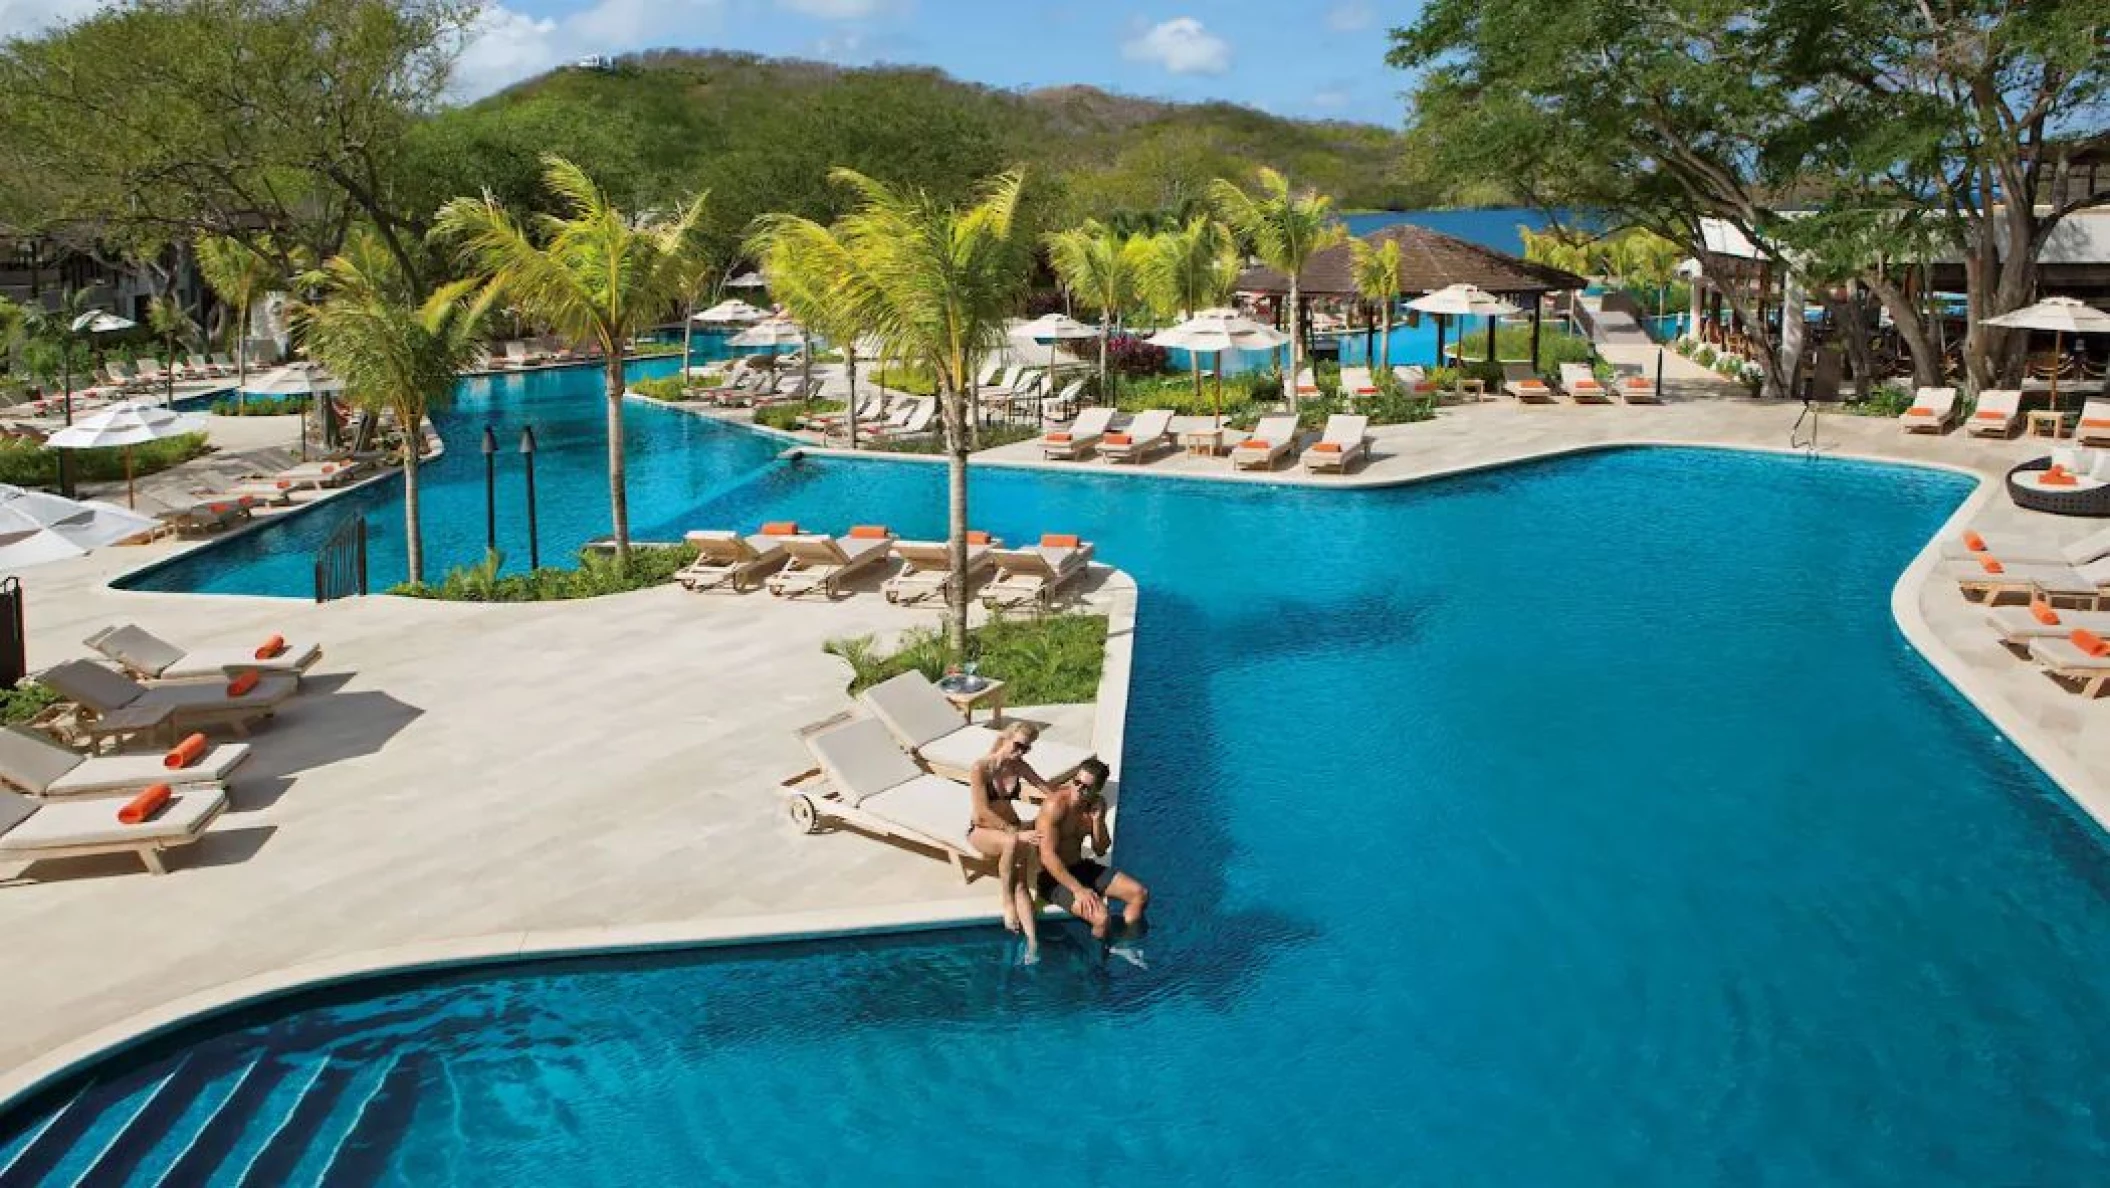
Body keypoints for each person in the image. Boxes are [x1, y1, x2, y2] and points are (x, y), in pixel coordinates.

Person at [966, 721, 1055, 955]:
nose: (1020, 752)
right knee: (1013, 841)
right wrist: (1014, 831)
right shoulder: (980, 768)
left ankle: (1033, 943)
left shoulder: (1018, 767)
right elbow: (983, 811)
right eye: (1018, 745)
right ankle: (1006, 903)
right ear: (1006, 738)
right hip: (983, 831)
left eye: (1026, 749)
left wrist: (1073, 800)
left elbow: (1045, 787)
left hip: (1012, 829)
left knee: (1022, 882)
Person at [1035, 758, 1148, 941]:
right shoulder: (1055, 806)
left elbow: (1101, 849)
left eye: (1086, 787)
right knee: (1102, 918)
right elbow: (1047, 856)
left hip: (1080, 867)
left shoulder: (1097, 805)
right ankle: (1098, 960)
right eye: (1076, 782)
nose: (1078, 790)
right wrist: (1079, 890)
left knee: (1139, 894)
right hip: (1053, 878)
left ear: (1097, 789)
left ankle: (1126, 944)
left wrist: (1097, 821)